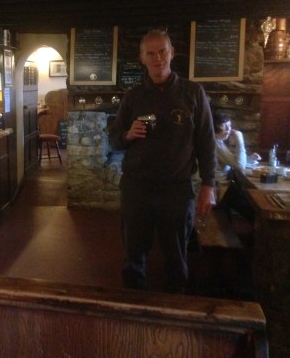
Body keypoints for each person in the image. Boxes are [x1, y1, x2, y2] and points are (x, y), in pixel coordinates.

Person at [108, 29, 216, 293]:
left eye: (162, 51)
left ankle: (176, 307)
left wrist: (208, 185)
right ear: (142, 58)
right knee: (133, 257)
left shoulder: (193, 92)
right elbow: (113, 140)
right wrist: (128, 134)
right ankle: (133, 306)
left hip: (176, 190)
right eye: (151, 53)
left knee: (177, 259)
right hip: (137, 188)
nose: (157, 58)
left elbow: (206, 141)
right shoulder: (133, 96)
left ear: (172, 53)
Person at [213, 112, 260, 222]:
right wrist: (240, 139)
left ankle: (259, 227)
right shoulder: (215, 143)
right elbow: (239, 166)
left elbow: (233, 162)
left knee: (250, 199)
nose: (229, 129)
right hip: (218, 191)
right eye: (225, 126)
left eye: (230, 126)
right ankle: (261, 227)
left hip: (223, 188)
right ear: (215, 127)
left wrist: (250, 159)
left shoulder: (217, 142)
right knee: (253, 204)